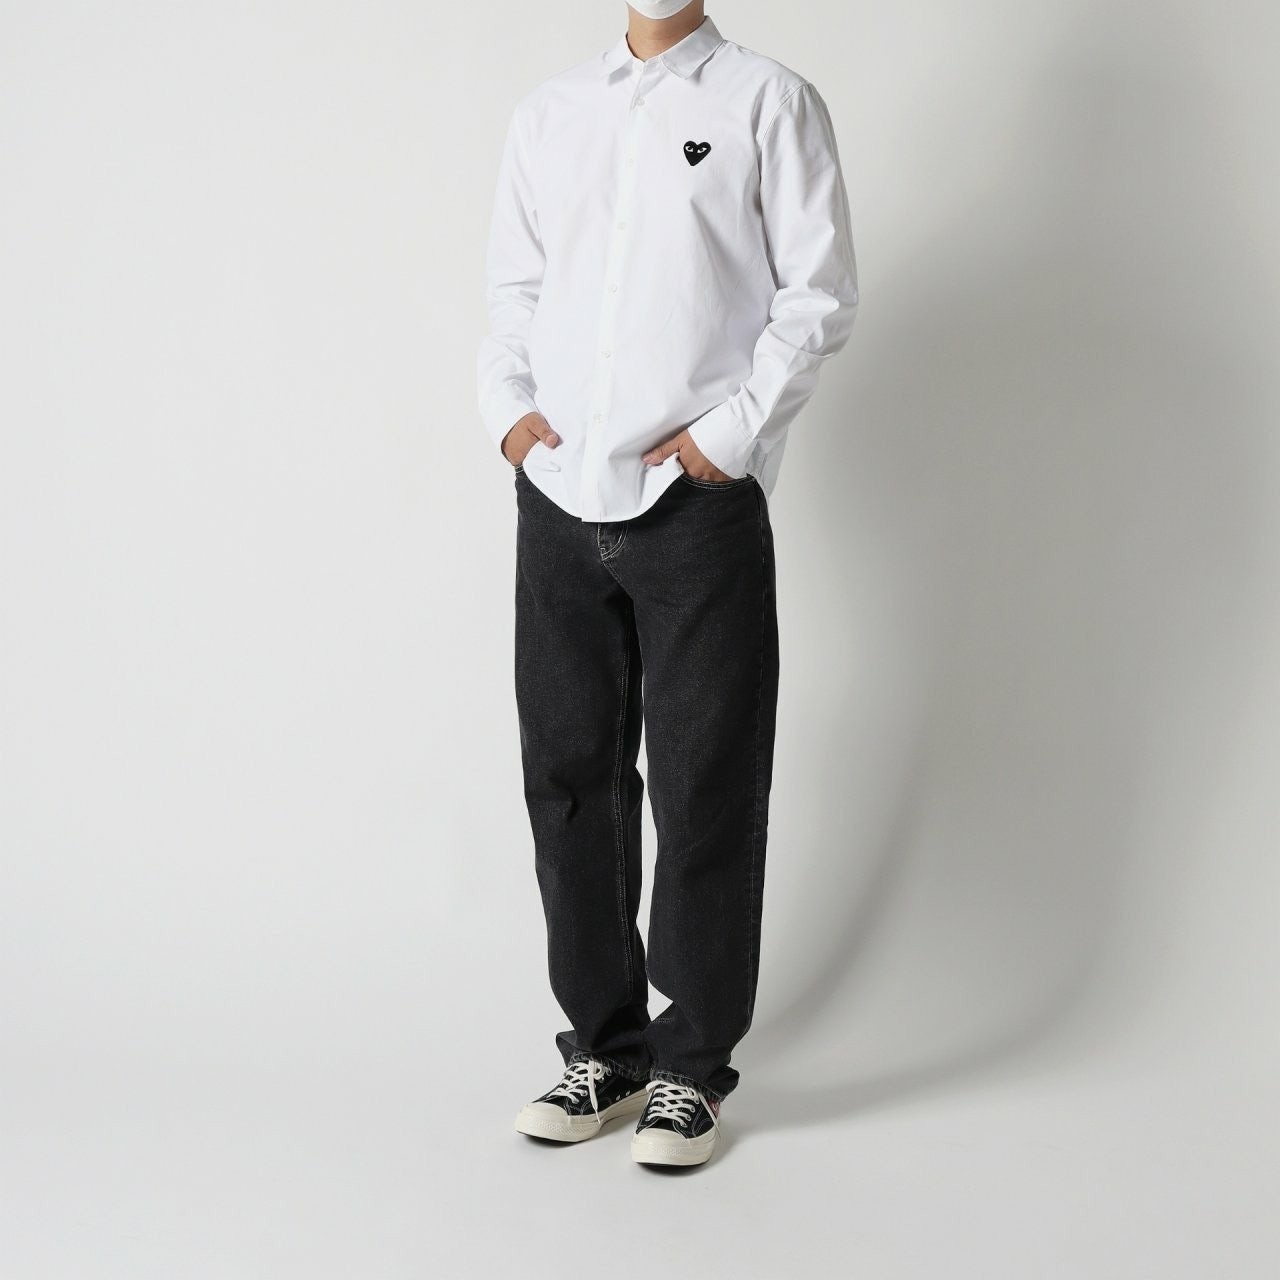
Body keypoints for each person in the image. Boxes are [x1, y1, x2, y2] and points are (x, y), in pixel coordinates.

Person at [476, 0, 858, 1168]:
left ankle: (689, 1069)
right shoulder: (551, 113)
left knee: (705, 786)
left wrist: (726, 438)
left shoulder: (767, 102)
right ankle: (605, 1050)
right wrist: (510, 420)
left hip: (693, 508)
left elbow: (818, 294)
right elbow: (514, 289)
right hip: (557, 497)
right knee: (569, 782)